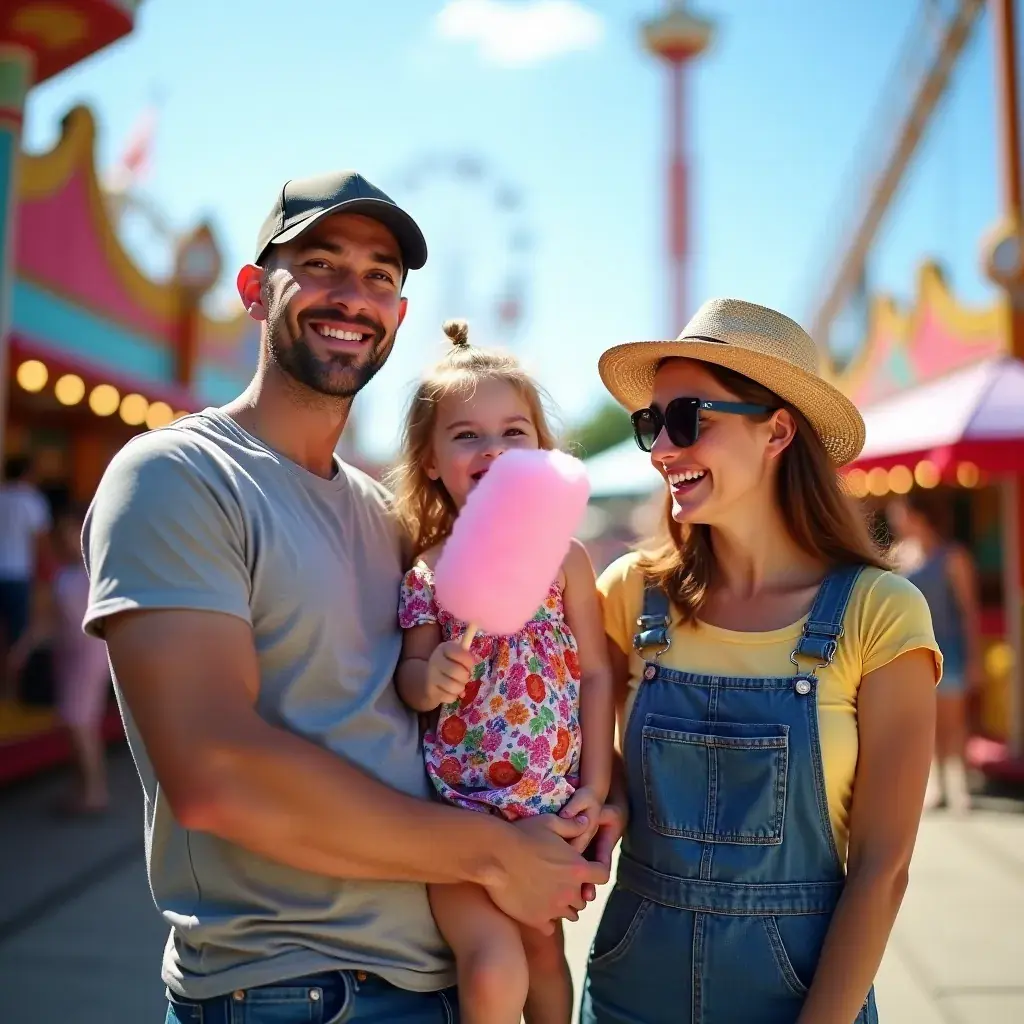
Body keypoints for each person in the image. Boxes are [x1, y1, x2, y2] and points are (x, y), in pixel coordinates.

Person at [81, 171, 610, 1024]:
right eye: (321, 264)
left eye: (379, 276)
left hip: (440, 974)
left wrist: (591, 798)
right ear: (255, 290)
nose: (353, 296)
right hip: (293, 990)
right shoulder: (178, 477)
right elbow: (215, 775)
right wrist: (494, 853)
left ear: (399, 315)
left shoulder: (389, 523)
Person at [581, 299, 941, 1024]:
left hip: (801, 999)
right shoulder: (629, 594)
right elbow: (583, 757)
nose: (660, 449)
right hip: (628, 992)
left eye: (688, 419)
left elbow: (882, 869)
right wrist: (607, 799)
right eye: (653, 424)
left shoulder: (880, 613)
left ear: (777, 430)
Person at [390, 319, 614, 1024]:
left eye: (513, 433)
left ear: (540, 452)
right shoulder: (427, 573)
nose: (492, 449)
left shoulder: (566, 559)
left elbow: (596, 675)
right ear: (430, 461)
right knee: (492, 969)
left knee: (546, 962)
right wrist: (430, 678)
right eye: (467, 435)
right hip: (456, 818)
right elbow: (410, 675)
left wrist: (596, 785)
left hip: (548, 809)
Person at [11, 504, 111, 813]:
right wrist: (24, 648)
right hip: (66, 655)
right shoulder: (64, 574)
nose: (68, 539)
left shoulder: (98, 571)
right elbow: (49, 621)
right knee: (75, 723)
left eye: (74, 532)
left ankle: (94, 792)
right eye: (64, 534)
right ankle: (83, 787)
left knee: (80, 722)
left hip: (90, 654)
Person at [887, 493, 981, 813]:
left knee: (954, 721)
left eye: (901, 514)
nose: (895, 521)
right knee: (924, 722)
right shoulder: (898, 556)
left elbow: (969, 611)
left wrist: (974, 658)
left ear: (919, 516)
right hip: (914, 652)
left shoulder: (953, 556)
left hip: (950, 647)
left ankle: (958, 785)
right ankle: (933, 785)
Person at [0, 455, 51, 700]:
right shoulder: (32, 500)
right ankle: (12, 691)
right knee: (18, 637)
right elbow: (40, 542)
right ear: (28, 473)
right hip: (19, 575)